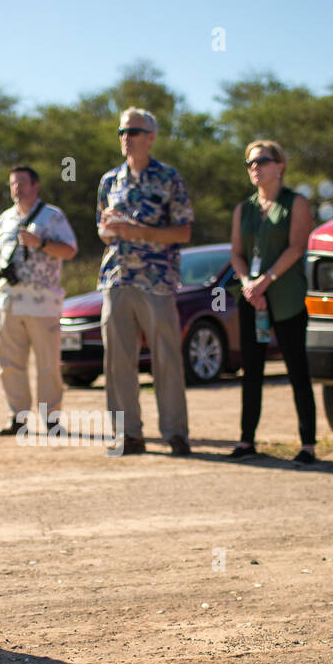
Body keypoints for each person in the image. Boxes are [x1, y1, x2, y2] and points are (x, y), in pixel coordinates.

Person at [96, 108, 194, 456]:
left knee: (166, 357)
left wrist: (139, 231)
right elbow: (103, 233)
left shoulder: (169, 177)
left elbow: (183, 230)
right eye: (122, 130)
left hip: (157, 281)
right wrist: (111, 226)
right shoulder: (110, 181)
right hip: (117, 278)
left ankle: (175, 433)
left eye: (133, 131)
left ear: (150, 137)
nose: (126, 136)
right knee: (118, 360)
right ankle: (128, 435)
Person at [227, 140, 316, 463]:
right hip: (253, 300)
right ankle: (247, 441)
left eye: (262, 161)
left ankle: (308, 444)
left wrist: (266, 281)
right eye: (250, 163)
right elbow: (237, 253)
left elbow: (296, 248)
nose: (255, 167)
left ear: (280, 166)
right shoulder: (244, 209)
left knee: (296, 369)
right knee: (251, 370)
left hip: (286, 297)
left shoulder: (296, 203)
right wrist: (249, 284)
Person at [0, 165, 77, 436]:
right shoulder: (4, 219)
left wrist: (40, 243)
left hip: (43, 304)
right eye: (13, 184)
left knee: (48, 363)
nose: (17, 188)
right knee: (9, 363)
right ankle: (18, 417)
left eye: (22, 183)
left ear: (35, 186)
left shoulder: (53, 216)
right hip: (8, 303)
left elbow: (70, 250)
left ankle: (51, 419)